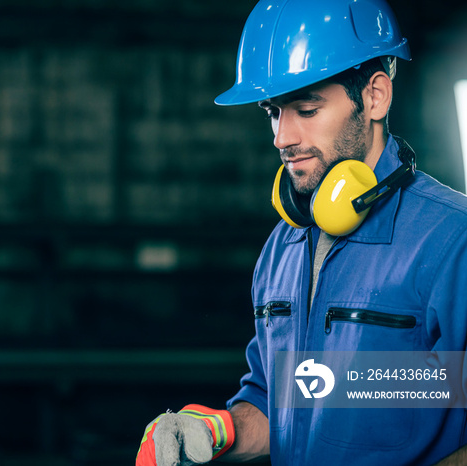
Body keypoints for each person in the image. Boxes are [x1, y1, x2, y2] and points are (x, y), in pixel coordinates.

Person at [135, 0, 467, 464]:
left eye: (306, 109)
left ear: (375, 97)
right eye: (273, 111)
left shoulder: (453, 241)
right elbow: (281, 404)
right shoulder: (282, 249)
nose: (281, 137)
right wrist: (218, 430)